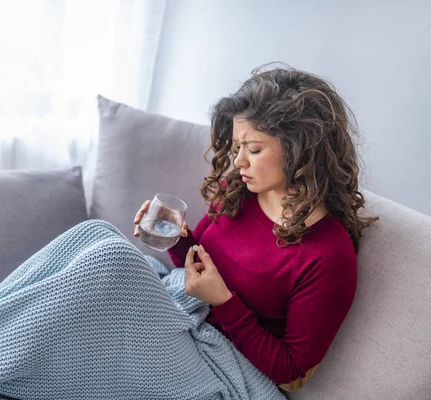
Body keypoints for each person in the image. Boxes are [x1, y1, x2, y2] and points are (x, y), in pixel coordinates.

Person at [133, 63, 379, 392]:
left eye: (254, 149)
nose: (238, 162)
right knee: (100, 244)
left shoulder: (328, 255)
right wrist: (177, 239)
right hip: (181, 319)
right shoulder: (241, 191)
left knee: (107, 260)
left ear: (299, 150)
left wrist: (223, 301)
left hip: (222, 368)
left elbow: (293, 374)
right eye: (238, 148)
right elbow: (194, 274)